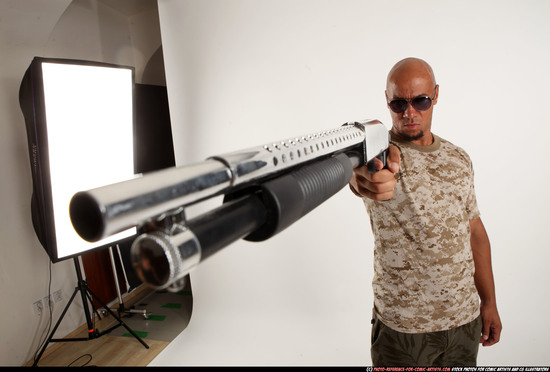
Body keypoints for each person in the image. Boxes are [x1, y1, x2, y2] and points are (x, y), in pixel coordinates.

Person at [349, 57, 502, 366]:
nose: (409, 113)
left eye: (420, 101)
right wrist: (360, 173)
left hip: (464, 322)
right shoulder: (377, 153)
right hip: (403, 330)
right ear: (387, 101)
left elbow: (475, 232)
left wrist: (489, 303)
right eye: (398, 104)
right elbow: (360, 171)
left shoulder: (459, 159)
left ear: (435, 95)